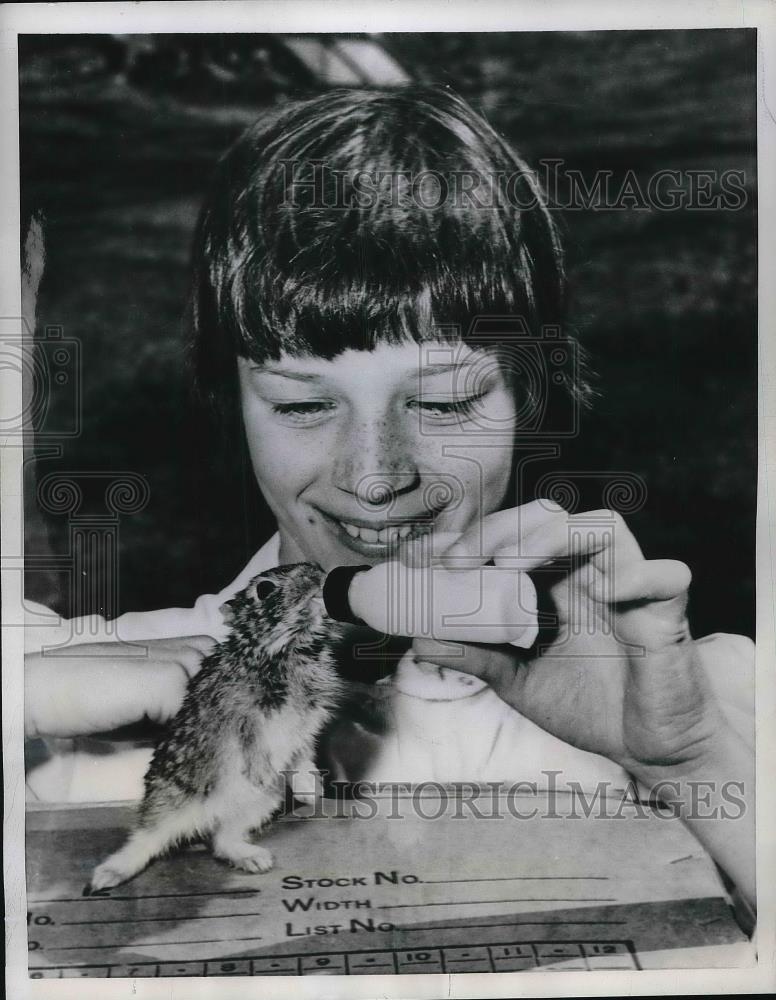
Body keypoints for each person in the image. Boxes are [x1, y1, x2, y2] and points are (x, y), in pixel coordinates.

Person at [23, 87, 755, 907]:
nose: (375, 477)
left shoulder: (722, 709)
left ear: (533, 397)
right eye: (303, 404)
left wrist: (691, 762)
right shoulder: (66, 711)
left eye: (442, 403)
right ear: (233, 404)